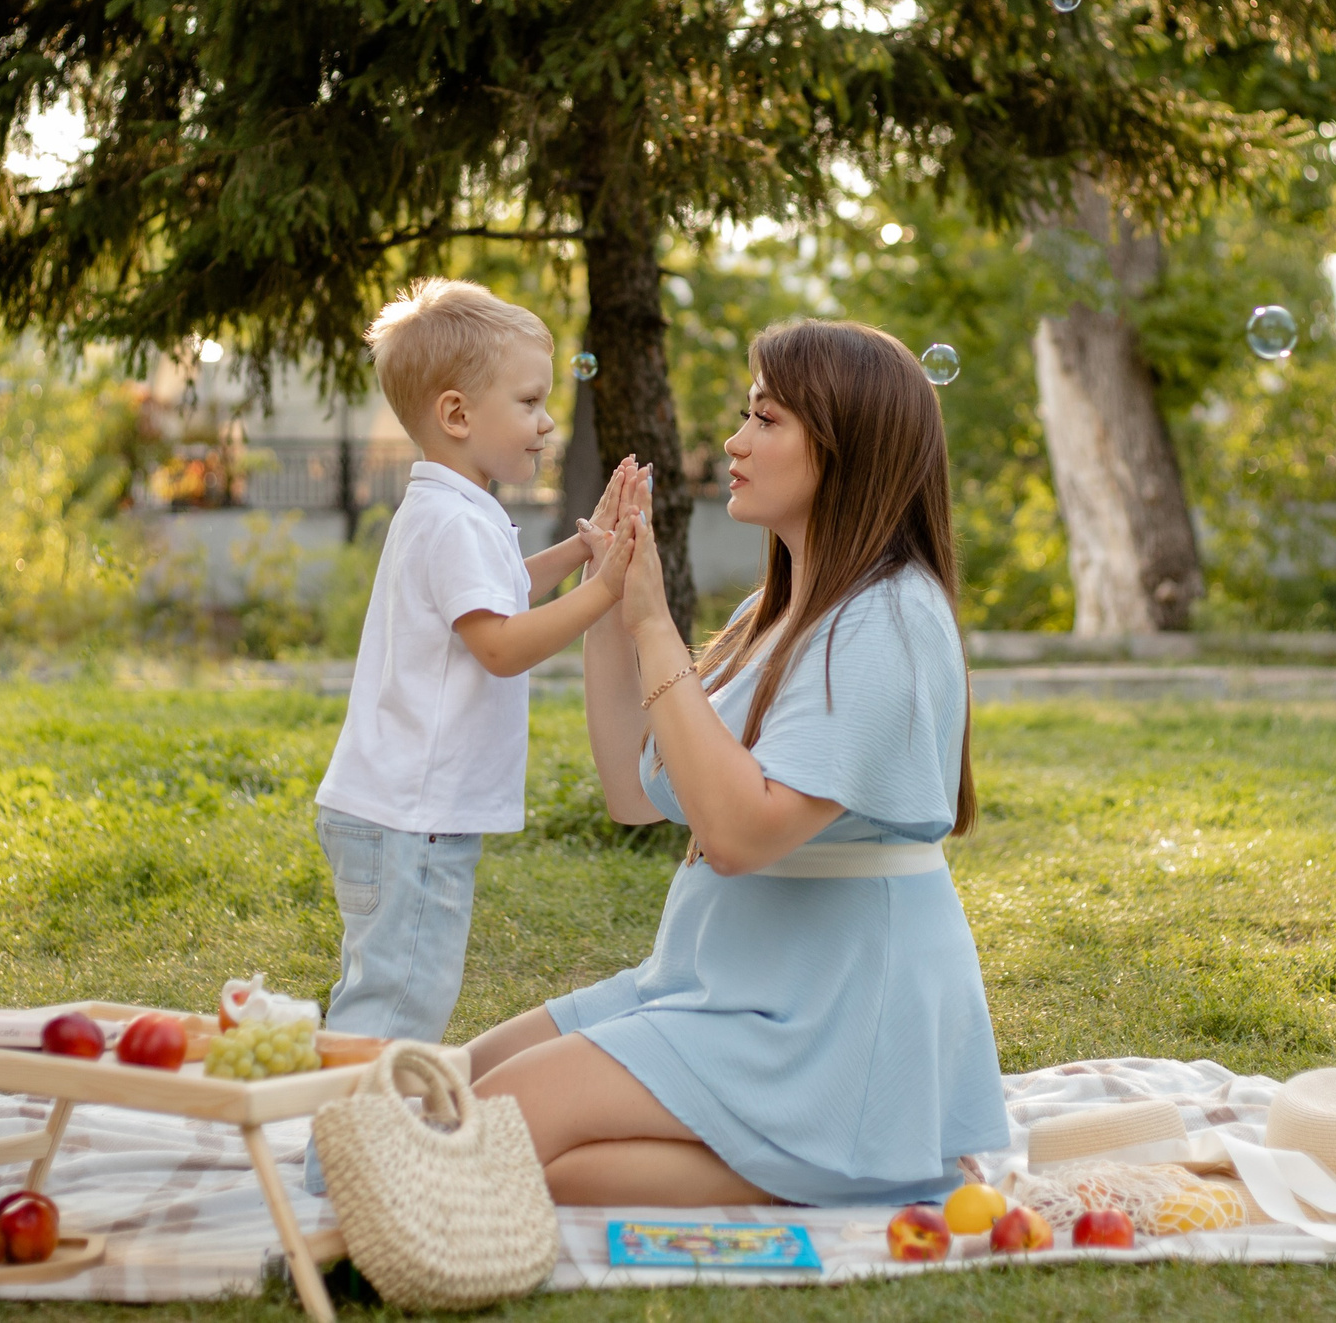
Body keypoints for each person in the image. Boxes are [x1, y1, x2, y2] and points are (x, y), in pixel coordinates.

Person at [467, 319, 1009, 1207]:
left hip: (828, 1025)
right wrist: (611, 603)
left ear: (845, 448)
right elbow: (631, 790)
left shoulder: (889, 619)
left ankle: (887, 1149)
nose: (734, 440)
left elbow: (738, 834)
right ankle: (877, 1159)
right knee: (461, 1085)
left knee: (499, 1124)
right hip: (727, 983)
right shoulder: (783, 609)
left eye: (766, 419)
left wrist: (653, 625)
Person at [310, 278, 634, 1048]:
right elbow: (498, 646)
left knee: (379, 992)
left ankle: (339, 1141)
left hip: (390, 812)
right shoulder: (453, 521)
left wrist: (581, 553)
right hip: (412, 822)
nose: (547, 421)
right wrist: (606, 590)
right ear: (456, 414)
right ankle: (350, 1159)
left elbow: (506, 590)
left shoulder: (453, 508)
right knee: (398, 1009)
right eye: (527, 403)